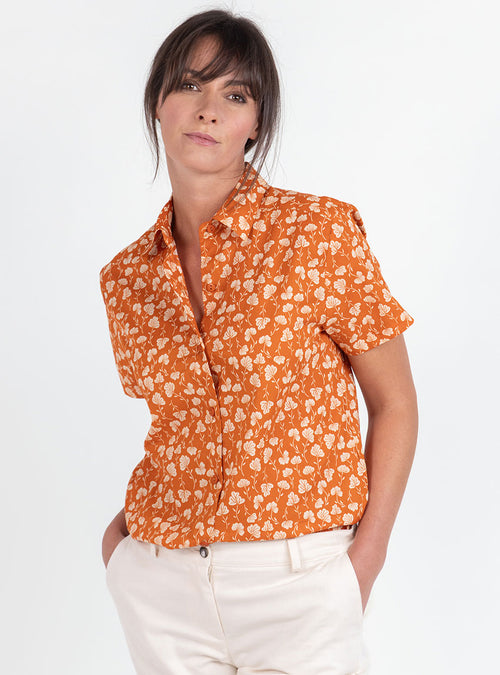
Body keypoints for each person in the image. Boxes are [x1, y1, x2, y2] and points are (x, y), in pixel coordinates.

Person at [99, 8, 418, 675]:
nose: (208, 109)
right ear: (158, 102)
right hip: (160, 582)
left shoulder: (316, 233)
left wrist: (366, 560)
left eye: (235, 94)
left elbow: (394, 403)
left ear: (256, 122)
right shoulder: (127, 276)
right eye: (189, 84)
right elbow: (179, 423)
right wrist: (120, 548)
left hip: (301, 582)